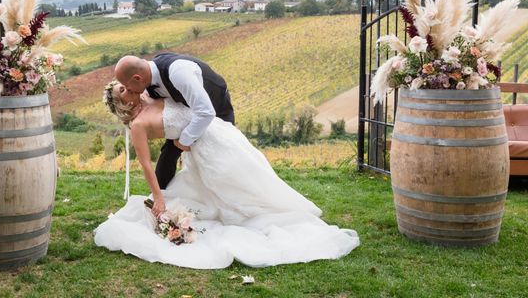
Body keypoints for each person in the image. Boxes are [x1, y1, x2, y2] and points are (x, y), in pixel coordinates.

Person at [93, 81, 359, 269]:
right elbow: (146, 165)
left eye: (125, 83)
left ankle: (274, 208)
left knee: (254, 178)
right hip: (204, 155)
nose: (128, 86)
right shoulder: (137, 126)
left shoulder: (152, 94)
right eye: (122, 89)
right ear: (121, 102)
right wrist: (159, 197)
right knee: (234, 192)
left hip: (220, 134)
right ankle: (252, 214)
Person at [114, 53, 234, 191]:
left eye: (127, 87)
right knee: (168, 154)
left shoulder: (178, 72)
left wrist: (184, 141)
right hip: (187, 116)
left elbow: (206, 112)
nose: (130, 91)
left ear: (137, 78)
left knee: (223, 160)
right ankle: (159, 199)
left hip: (217, 110)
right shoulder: (148, 81)